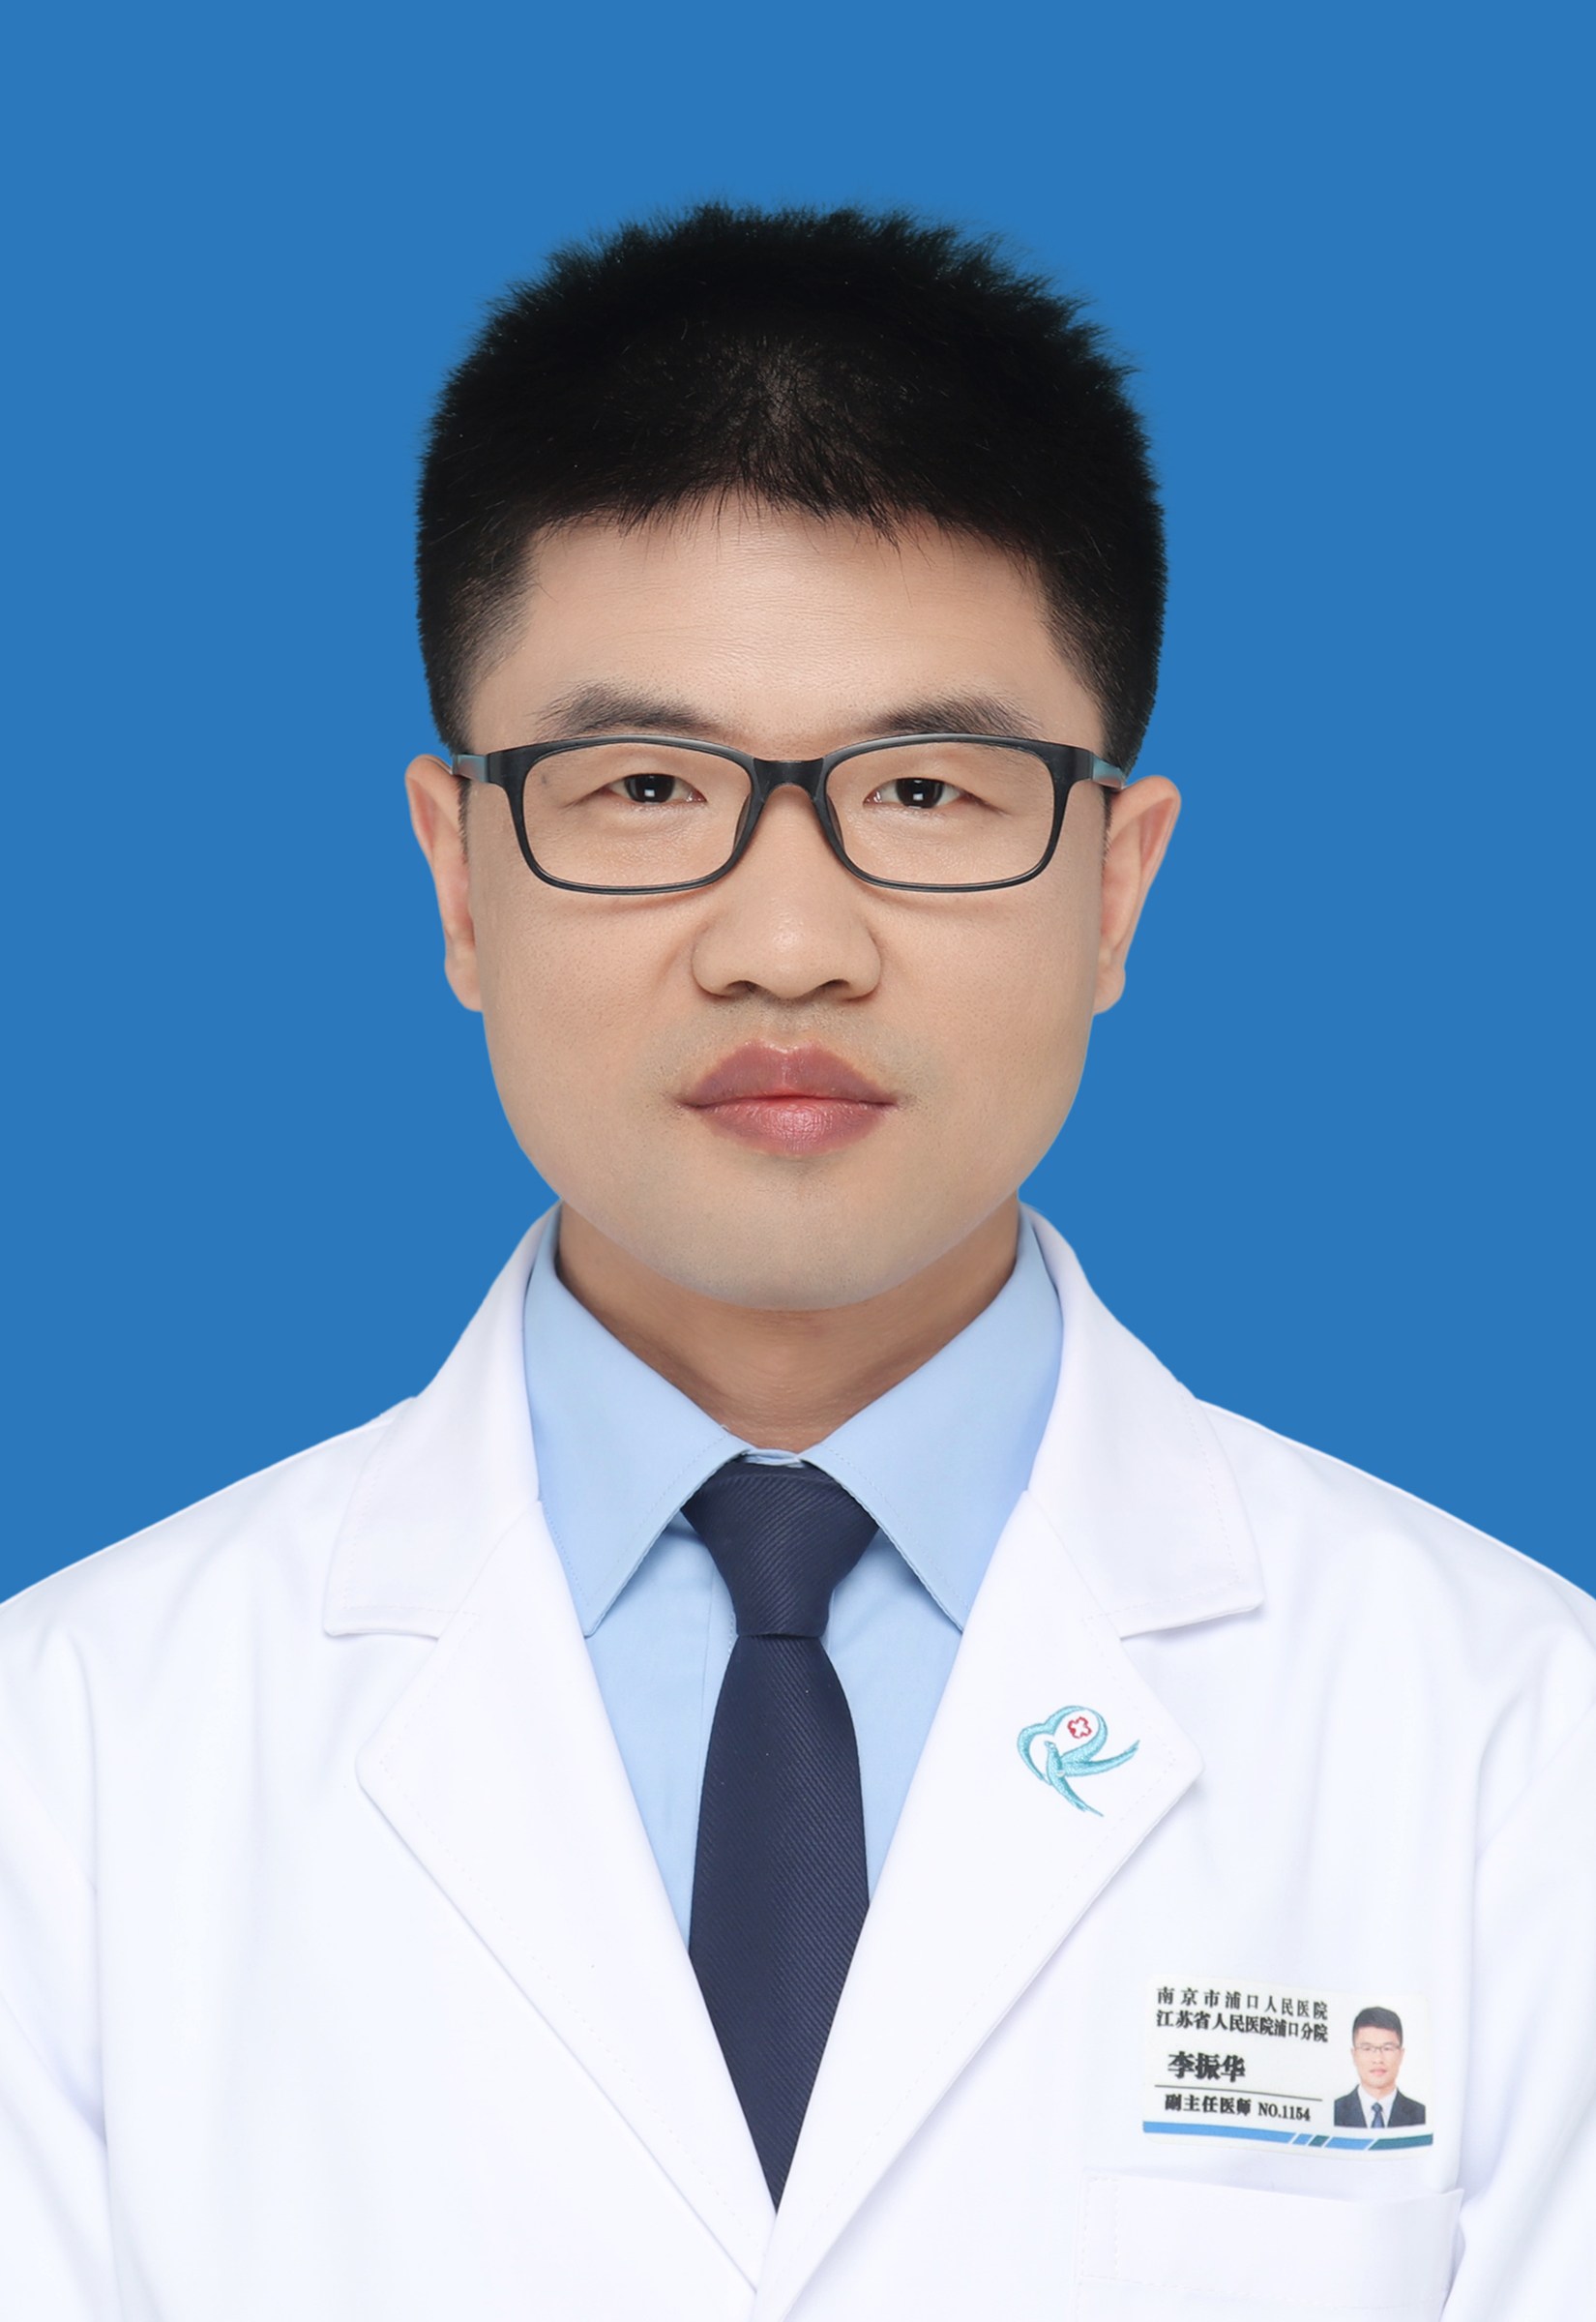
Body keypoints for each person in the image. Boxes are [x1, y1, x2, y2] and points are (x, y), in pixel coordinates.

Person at [2, 202, 1592, 2322]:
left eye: (925, 790)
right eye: (646, 786)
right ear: (457, 877)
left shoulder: (1514, 1749)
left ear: (1117, 888)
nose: (783, 942)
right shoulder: (72, 1763)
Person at [1335, 2007, 1427, 2131]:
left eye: (1387, 2048)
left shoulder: (1421, 2116)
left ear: (1401, 2055)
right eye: (1367, 2048)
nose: (1378, 2059)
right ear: (1354, 2055)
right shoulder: (1334, 2111)